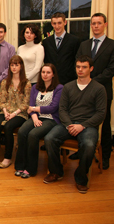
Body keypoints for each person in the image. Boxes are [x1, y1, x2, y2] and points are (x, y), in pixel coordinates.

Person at [43, 55, 106, 194]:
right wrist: (70, 125)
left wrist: (82, 126)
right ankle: (56, 172)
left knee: (89, 145)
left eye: (84, 67)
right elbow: (62, 109)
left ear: (91, 68)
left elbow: (101, 114)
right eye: (78, 67)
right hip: (69, 124)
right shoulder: (68, 87)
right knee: (49, 138)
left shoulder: (99, 88)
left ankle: (81, 178)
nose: (80, 70)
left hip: (88, 126)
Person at [76, 13, 114, 170]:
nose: (96, 26)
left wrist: (92, 83)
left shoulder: (112, 45)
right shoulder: (84, 44)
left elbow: (111, 69)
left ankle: (104, 156)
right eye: (93, 23)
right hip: (82, 92)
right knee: (80, 118)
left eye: (99, 23)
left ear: (105, 24)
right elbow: (78, 64)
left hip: (102, 91)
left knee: (104, 125)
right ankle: (82, 151)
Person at [14, 63, 63, 178]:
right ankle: (20, 165)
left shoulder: (59, 88)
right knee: (22, 132)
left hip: (51, 119)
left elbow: (53, 107)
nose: (45, 75)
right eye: (43, 72)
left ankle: (30, 169)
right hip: (36, 117)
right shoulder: (35, 87)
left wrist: (35, 109)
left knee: (33, 135)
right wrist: (35, 118)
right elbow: (31, 104)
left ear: (53, 75)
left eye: (48, 72)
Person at [0, 55, 31, 169]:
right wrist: (5, 111)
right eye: (12, 65)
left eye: (16, 65)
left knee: (8, 127)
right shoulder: (4, 82)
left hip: (20, 113)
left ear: (21, 66)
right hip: (5, 111)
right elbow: (1, 100)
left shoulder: (26, 83)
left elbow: (25, 103)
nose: (14, 67)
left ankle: (8, 157)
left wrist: (14, 113)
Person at [42, 12, 80, 85]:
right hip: (51, 81)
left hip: (69, 81)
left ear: (65, 22)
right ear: (52, 24)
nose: (57, 26)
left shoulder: (74, 40)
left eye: (59, 23)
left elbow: (76, 60)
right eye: (54, 23)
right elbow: (46, 60)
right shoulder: (46, 42)